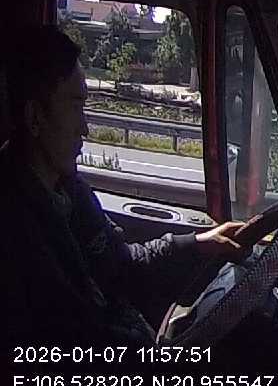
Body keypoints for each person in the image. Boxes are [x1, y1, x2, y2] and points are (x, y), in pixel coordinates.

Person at [0, 25, 246, 353]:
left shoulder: (69, 191)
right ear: (34, 118)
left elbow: (122, 265)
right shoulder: (12, 224)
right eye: (75, 106)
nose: (85, 128)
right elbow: (65, 342)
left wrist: (202, 243)